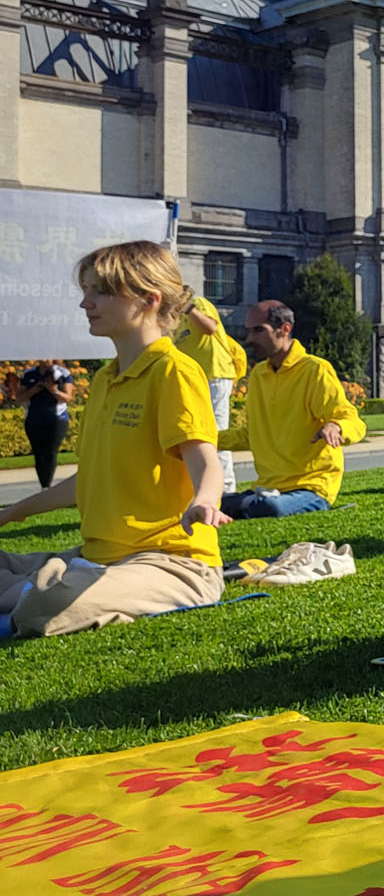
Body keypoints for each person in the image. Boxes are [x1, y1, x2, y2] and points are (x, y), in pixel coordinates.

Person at [0, 241, 228, 636]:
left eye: (100, 292)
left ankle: (46, 585)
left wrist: (205, 501)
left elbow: (205, 461)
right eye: (86, 291)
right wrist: (9, 513)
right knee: (42, 591)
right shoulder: (106, 379)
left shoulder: (173, 371)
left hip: (172, 564)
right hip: (98, 557)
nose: (85, 304)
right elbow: (87, 479)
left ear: (149, 299)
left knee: (45, 605)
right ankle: (52, 580)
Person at [222, 302, 367, 518]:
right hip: (267, 487)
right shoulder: (259, 375)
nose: (250, 339)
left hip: (311, 488)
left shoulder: (315, 370)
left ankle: (248, 503)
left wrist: (337, 426)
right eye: (249, 331)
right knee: (210, 504)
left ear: (285, 329)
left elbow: (353, 421)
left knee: (270, 509)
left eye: (258, 330)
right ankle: (248, 502)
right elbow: (250, 434)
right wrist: (198, 439)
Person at [174, 292, 247, 493]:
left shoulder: (198, 304)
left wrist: (188, 307)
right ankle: (201, 486)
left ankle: (226, 490)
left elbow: (209, 327)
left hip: (215, 374)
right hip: (193, 380)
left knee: (215, 432)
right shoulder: (174, 321)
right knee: (196, 433)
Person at [15, 360, 75, 489]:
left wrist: (53, 390)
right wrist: (34, 390)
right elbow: (19, 398)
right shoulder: (29, 374)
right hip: (34, 418)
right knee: (38, 453)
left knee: (50, 452)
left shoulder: (62, 373)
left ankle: (47, 485)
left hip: (57, 418)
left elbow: (68, 398)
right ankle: (44, 485)